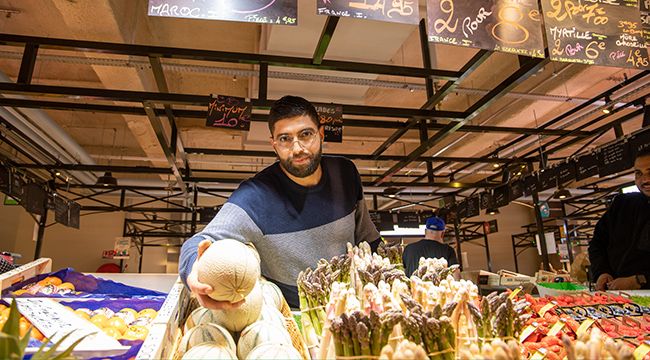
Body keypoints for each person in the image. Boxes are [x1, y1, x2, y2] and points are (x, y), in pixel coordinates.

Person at [179, 95, 381, 309]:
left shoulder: (346, 173)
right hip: (293, 316)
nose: (297, 149)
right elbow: (199, 241)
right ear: (274, 144)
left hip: (354, 306)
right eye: (285, 139)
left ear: (321, 134)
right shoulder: (255, 196)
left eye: (306, 135)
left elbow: (367, 236)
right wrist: (194, 272)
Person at [589, 147, 650, 291]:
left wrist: (640, 280)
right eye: (638, 173)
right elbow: (597, 243)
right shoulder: (622, 204)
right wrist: (601, 272)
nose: (645, 180)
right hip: (616, 299)